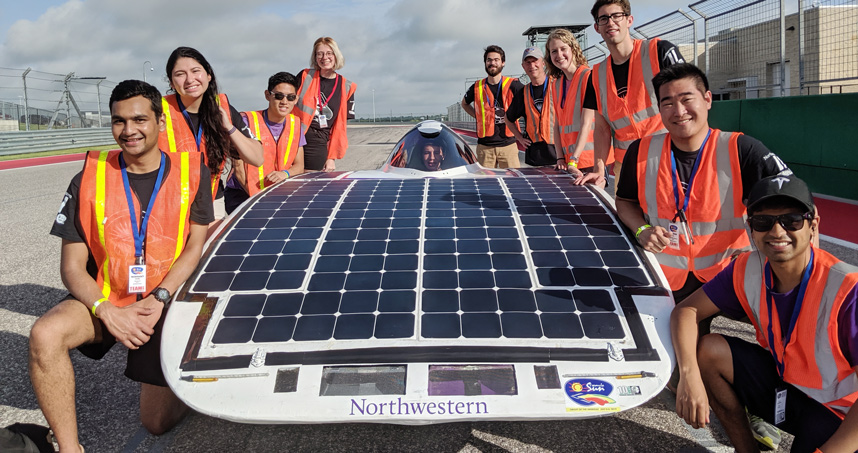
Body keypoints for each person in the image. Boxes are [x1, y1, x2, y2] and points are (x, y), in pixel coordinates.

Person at [30, 80, 213, 452]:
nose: (128, 130)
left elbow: (195, 248)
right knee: (44, 334)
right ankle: (69, 448)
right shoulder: (88, 178)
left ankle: (184, 380)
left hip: (162, 300)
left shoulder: (194, 172)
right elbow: (72, 266)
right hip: (107, 297)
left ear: (160, 123)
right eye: (119, 121)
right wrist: (107, 311)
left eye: (139, 119)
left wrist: (159, 297)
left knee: (156, 423)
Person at [671, 174, 858, 453]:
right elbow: (686, 310)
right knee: (709, 351)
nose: (777, 231)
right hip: (790, 388)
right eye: (764, 222)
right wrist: (689, 376)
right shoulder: (747, 268)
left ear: (813, 225)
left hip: (840, 412)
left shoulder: (848, 288)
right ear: (751, 229)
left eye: (792, 220)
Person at [615, 63, 791, 303]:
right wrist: (642, 229)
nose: (678, 111)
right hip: (665, 278)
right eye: (667, 103)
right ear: (659, 108)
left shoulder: (741, 150)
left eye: (687, 99)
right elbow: (624, 201)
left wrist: (798, 274)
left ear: (707, 99)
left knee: (779, 328)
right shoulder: (640, 152)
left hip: (728, 277)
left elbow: (795, 202)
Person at [577, 0, 686, 191]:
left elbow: (690, 103)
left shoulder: (659, 52)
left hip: (670, 158)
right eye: (604, 18)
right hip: (627, 165)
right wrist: (599, 169)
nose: (611, 22)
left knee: (673, 218)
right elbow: (602, 129)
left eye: (617, 15)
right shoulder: (596, 75)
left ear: (629, 20)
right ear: (597, 27)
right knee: (630, 218)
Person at [158, 46, 263, 218]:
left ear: (208, 75)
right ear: (171, 82)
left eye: (195, 71)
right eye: (180, 74)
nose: (190, 79)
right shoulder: (158, 110)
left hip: (212, 200)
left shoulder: (223, 108)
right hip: (169, 203)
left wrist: (229, 127)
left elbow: (257, 158)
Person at [225, 72, 307, 214]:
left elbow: (299, 165)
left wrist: (285, 174)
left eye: (290, 97)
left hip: (277, 194)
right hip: (244, 194)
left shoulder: (296, 125)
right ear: (267, 95)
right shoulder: (246, 121)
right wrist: (258, 198)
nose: (284, 101)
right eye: (279, 96)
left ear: (296, 99)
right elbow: (238, 169)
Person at [292, 37, 357, 172]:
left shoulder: (347, 86)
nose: (324, 57)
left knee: (310, 184)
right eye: (319, 53)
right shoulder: (305, 76)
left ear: (336, 55)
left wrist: (331, 157)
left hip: (319, 141)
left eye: (329, 53)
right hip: (295, 136)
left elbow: (339, 128)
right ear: (315, 57)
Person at [543, 28, 598, 179]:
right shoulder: (556, 84)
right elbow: (557, 124)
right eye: (554, 51)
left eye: (563, 49)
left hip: (589, 159)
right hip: (568, 161)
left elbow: (586, 123)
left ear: (573, 49)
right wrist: (560, 157)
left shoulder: (588, 77)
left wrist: (574, 159)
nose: (559, 55)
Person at [461, 45, 524, 168]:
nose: (492, 63)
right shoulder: (477, 86)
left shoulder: (514, 85)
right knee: (486, 185)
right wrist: (478, 116)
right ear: (485, 63)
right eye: (489, 60)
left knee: (514, 184)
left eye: (496, 60)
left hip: (508, 146)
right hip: (485, 148)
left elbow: (528, 102)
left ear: (503, 63)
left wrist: (518, 116)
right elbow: (464, 103)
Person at [504, 46, 557, 167]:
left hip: (558, 155)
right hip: (535, 157)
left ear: (543, 63)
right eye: (528, 62)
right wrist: (520, 138)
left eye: (535, 61)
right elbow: (508, 118)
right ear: (523, 66)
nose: (532, 65)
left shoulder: (557, 85)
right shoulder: (523, 93)